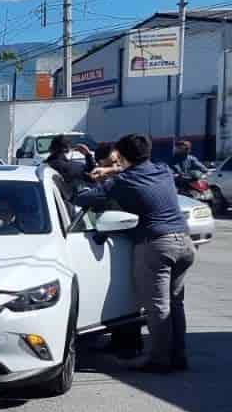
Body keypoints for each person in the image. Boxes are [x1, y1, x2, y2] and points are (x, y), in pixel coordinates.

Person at [73, 132, 195, 372]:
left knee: (158, 306)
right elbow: (136, 173)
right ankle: (178, 356)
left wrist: (94, 179)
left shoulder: (122, 182)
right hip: (185, 243)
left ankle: (159, 360)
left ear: (122, 155)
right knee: (176, 303)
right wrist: (110, 171)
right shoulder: (162, 169)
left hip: (157, 245)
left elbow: (84, 198)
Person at [45, 136, 87, 204]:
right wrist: (87, 154)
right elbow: (93, 172)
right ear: (66, 149)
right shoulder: (73, 167)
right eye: (71, 149)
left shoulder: (43, 167)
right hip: (66, 209)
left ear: (50, 149)